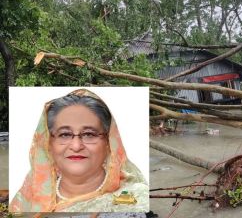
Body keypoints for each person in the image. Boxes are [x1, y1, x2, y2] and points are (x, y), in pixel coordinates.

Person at [10, 89, 149, 212]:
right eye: (64, 134)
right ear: (48, 144)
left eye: (89, 134)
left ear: (109, 143)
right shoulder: (28, 198)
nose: (76, 146)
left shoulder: (136, 200)